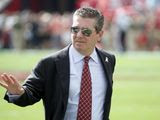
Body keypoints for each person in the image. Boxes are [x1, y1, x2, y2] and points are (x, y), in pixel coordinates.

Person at [0, 7, 116, 120]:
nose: (79, 35)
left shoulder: (108, 60)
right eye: (75, 29)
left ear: (100, 35)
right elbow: (30, 94)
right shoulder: (49, 63)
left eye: (86, 31)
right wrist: (19, 92)